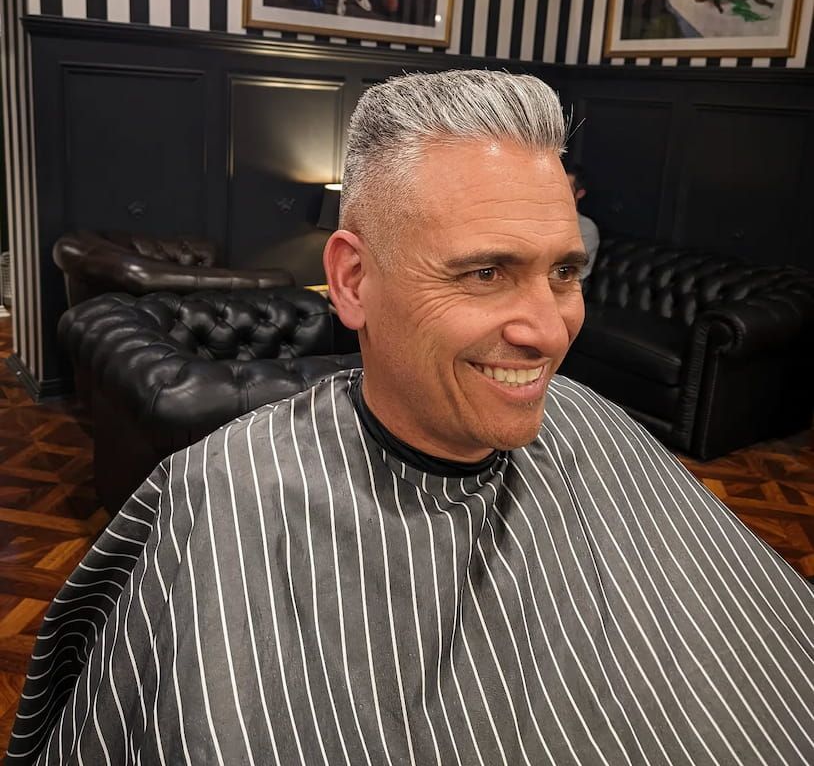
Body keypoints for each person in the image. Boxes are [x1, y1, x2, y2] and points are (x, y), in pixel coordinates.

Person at [7, 70, 814, 765]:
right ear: (353, 282)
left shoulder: (590, 425)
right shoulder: (222, 500)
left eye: (565, 271)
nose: (549, 328)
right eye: (486, 272)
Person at [567, 163, 600, 277]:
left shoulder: (586, 228)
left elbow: (571, 273)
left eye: (565, 188)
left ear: (580, 193)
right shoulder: (538, 218)